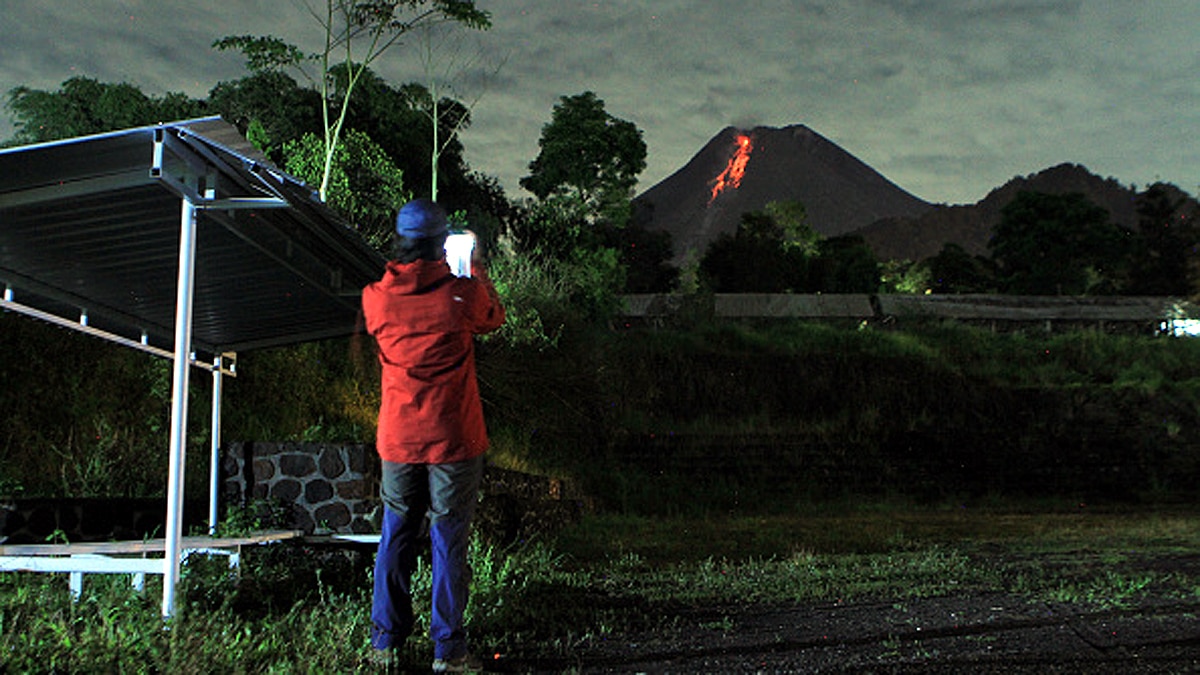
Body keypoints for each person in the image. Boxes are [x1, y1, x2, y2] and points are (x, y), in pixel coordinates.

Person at [361, 198, 505, 672]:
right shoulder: (459, 296)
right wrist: (474, 265)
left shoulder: (376, 298)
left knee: (396, 533)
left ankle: (385, 642)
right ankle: (449, 650)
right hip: (453, 438)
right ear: (443, 243)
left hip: (399, 438)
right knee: (448, 537)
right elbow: (493, 317)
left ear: (400, 240)